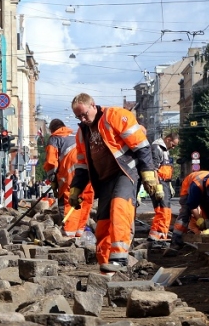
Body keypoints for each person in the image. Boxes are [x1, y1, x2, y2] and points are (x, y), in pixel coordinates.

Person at [67, 93, 158, 273]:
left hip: (125, 171)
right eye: (78, 117)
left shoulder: (115, 116)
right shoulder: (82, 132)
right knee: (103, 224)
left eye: (84, 114)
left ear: (93, 105)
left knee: (120, 208)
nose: (82, 119)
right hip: (104, 179)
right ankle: (106, 266)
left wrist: (148, 173)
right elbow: (82, 164)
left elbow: (141, 146)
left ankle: (119, 258)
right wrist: (76, 188)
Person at [44, 118, 93, 237]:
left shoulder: (54, 138)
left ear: (52, 130)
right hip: (88, 172)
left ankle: (68, 232)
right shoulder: (76, 135)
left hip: (69, 175)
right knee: (84, 199)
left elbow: (51, 162)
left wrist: (52, 179)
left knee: (69, 200)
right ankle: (79, 232)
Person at [170, 169, 209, 247]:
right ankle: (176, 240)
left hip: (203, 188)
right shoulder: (196, 185)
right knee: (185, 212)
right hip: (188, 189)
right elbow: (191, 205)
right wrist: (199, 219)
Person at [146, 132, 178, 245]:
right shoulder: (157, 148)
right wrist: (158, 186)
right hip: (160, 182)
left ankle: (160, 234)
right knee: (163, 210)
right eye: (173, 145)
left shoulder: (164, 150)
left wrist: (169, 184)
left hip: (165, 182)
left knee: (165, 209)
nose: (173, 147)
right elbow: (153, 169)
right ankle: (158, 234)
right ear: (168, 139)